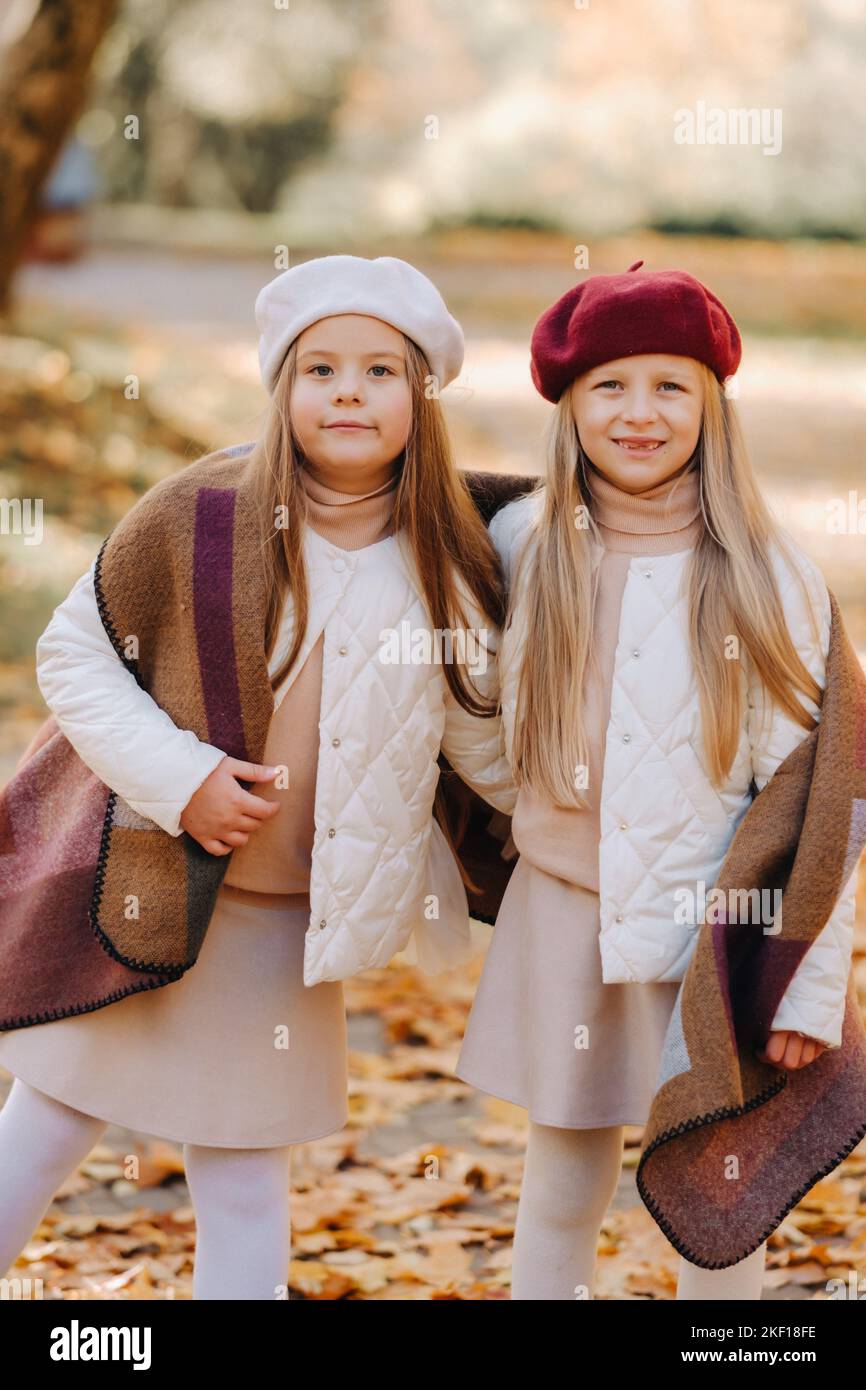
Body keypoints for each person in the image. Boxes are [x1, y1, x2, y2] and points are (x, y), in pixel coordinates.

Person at [0, 254, 519, 1299]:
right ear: (280, 388)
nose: (347, 393)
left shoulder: (445, 557)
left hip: (281, 923)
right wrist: (181, 776)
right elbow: (76, 653)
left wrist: (567, 815)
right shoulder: (207, 509)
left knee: (241, 1176)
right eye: (319, 368)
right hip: (151, 883)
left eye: (380, 371)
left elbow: (475, 736)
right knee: (47, 1123)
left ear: (421, 397)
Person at [453, 261, 858, 1300]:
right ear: (567, 404)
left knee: (713, 1203)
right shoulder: (519, 545)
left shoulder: (766, 574)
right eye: (608, 386)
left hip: (709, 929)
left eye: (669, 386)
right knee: (558, 1183)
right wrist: (533, 811)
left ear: (711, 406)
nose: (638, 413)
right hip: (564, 919)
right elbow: (475, 713)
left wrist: (801, 976)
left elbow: (818, 792)